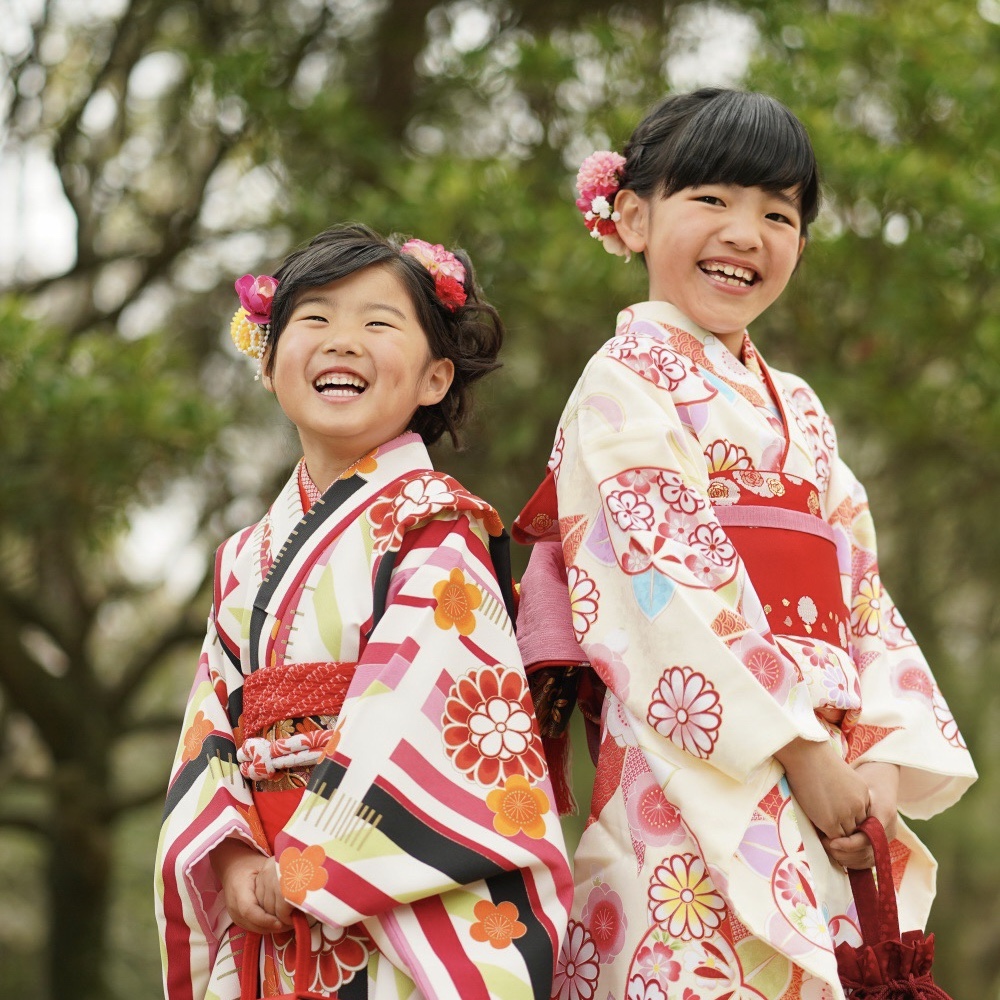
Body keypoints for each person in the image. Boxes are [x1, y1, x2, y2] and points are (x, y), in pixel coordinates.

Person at [512, 89, 976, 1000]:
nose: (746, 233)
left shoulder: (799, 406)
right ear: (633, 215)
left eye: (778, 213)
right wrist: (800, 750)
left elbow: (862, 596)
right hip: (692, 771)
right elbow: (663, 585)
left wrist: (875, 757)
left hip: (833, 781)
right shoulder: (623, 381)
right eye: (712, 200)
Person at [155, 223, 572, 1000]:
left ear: (435, 378)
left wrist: (311, 861)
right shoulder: (244, 556)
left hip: (388, 904)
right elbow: (212, 720)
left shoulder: (436, 525)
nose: (343, 340)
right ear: (269, 361)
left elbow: (425, 713)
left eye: (379, 322)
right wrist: (234, 855)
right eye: (314, 319)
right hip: (270, 895)